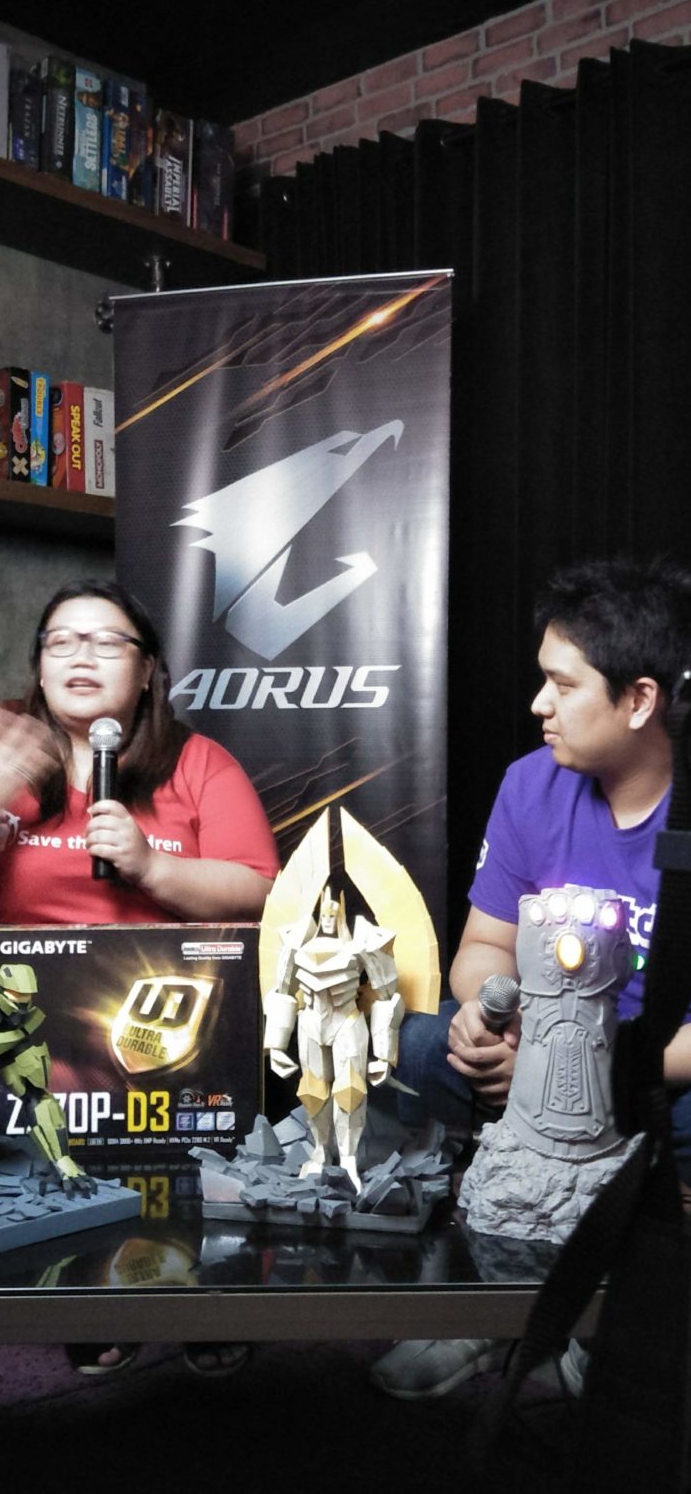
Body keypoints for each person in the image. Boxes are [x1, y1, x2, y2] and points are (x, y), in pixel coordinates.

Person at [0, 577, 279, 1376]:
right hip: (27, 1027)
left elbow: (261, 891)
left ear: (149, 669)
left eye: (105, 641)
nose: (80, 656)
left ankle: (206, 1295)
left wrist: (152, 867)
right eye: (60, 641)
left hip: (175, 1020)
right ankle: (87, 1292)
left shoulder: (198, 762)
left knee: (205, 1132)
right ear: (39, 665)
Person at [371, 554, 691, 1399]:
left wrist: (581, 1068)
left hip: (656, 1072)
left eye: (562, 685)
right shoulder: (530, 784)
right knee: (408, 1046)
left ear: (640, 700)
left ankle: (611, 1333)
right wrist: (489, 1016)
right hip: (537, 1055)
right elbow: (482, 946)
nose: (538, 705)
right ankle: (478, 1304)